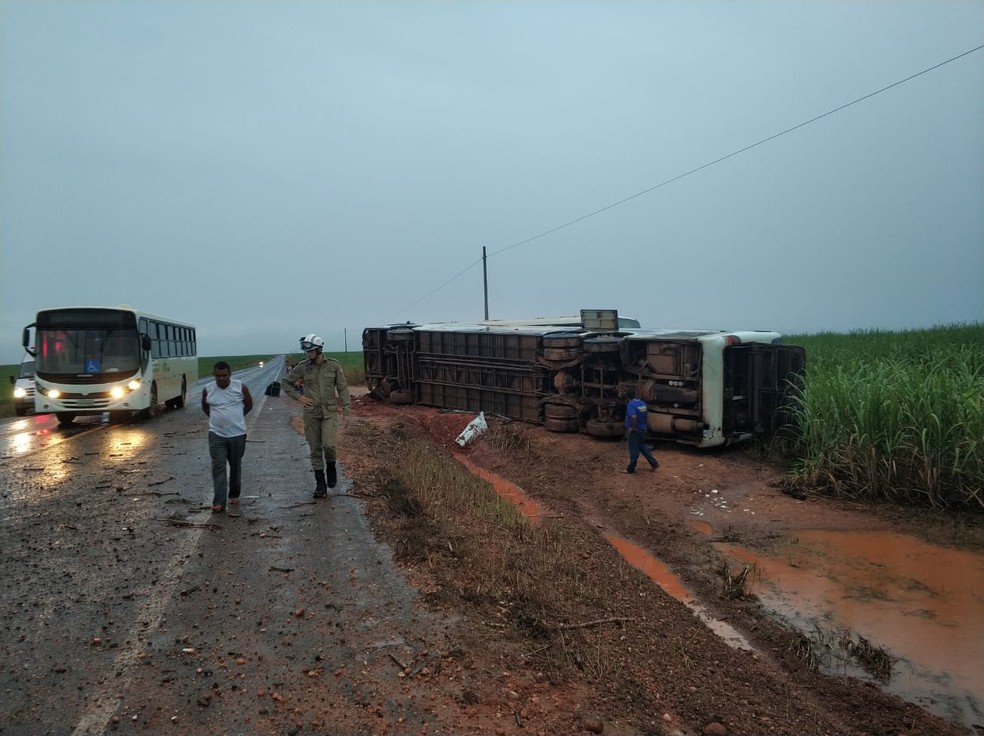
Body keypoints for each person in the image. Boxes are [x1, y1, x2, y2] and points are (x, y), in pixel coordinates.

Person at [281, 334, 351, 498]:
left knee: (328, 445)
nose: (308, 353)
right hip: (311, 413)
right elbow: (285, 383)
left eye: (311, 350)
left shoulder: (333, 366)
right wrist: (299, 398)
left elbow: (342, 388)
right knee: (315, 449)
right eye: (307, 351)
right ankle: (320, 485)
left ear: (319, 349)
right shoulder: (303, 367)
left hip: (329, 413)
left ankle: (331, 467)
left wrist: (346, 410)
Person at [201, 361, 253, 512]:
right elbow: (205, 406)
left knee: (235, 465)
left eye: (224, 375)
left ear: (230, 374)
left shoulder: (240, 387)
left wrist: (237, 418)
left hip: (237, 434)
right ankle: (219, 502)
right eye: (218, 376)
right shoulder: (208, 389)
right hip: (216, 434)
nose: (221, 378)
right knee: (218, 467)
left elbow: (249, 404)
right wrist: (215, 419)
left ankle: (234, 494)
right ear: (214, 375)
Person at [623, 385, 659, 474]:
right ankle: (654, 463)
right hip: (643, 429)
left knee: (634, 450)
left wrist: (632, 428)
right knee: (642, 447)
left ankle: (630, 469)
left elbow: (633, 416)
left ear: (627, 397)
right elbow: (646, 415)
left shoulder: (631, 405)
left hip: (635, 431)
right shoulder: (642, 403)